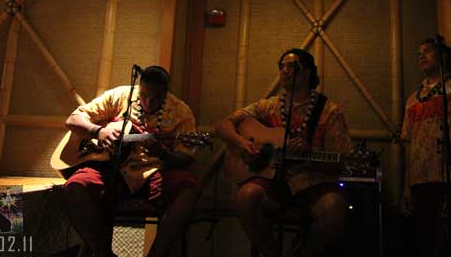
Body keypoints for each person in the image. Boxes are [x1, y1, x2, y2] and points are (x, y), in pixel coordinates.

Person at [215, 48, 353, 257]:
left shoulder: (330, 112)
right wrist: (242, 143)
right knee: (245, 197)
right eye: (282, 67)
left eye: (292, 66)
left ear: (307, 72)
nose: (285, 71)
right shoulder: (267, 106)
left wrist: (311, 153)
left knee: (335, 208)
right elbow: (222, 125)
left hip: (312, 183)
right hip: (272, 182)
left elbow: (340, 160)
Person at [63, 65, 200, 257]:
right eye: (144, 95)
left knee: (188, 188)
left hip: (153, 174)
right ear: (139, 87)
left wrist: (163, 154)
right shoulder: (120, 96)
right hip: (110, 170)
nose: (149, 102)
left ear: (166, 93)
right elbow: (73, 120)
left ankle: (155, 254)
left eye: (156, 98)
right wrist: (98, 131)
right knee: (75, 186)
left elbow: (185, 158)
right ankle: (104, 253)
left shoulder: (181, 111)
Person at [399, 38, 451, 257]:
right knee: (425, 240)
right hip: (420, 181)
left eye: (427, 51)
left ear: (443, 55)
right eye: (419, 53)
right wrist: (407, 186)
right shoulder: (412, 100)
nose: (421, 56)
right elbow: (407, 142)